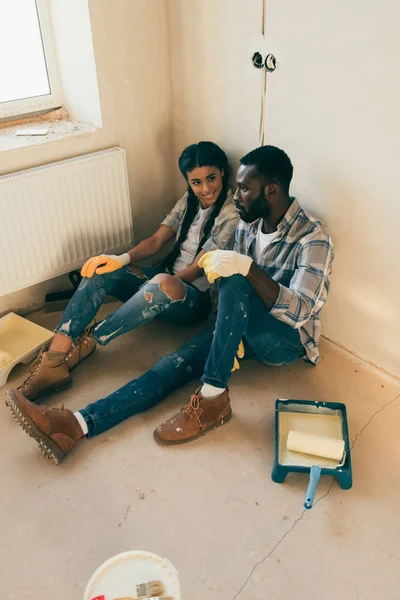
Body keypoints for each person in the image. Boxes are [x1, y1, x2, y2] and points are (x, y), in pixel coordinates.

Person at [6, 145, 334, 464]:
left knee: (238, 276)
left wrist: (246, 270)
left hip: (283, 340)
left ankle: (212, 399)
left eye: (244, 189)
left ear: (272, 191)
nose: (235, 197)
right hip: (242, 323)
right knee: (169, 365)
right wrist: (228, 327)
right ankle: (76, 425)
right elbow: (212, 272)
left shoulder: (313, 237)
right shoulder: (247, 226)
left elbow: (301, 311)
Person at [12, 141, 239, 404]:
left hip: (193, 298)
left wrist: (154, 286)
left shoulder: (231, 214)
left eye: (211, 178)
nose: (205, 188)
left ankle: (88, 342)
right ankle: (54, 361)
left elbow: (198, 267)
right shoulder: (189, 199)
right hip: (162, 276)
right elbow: (156, 241)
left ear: (222, 171)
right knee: (100, 271)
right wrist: (120, 259)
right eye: (197, 182)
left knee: (163, 281)